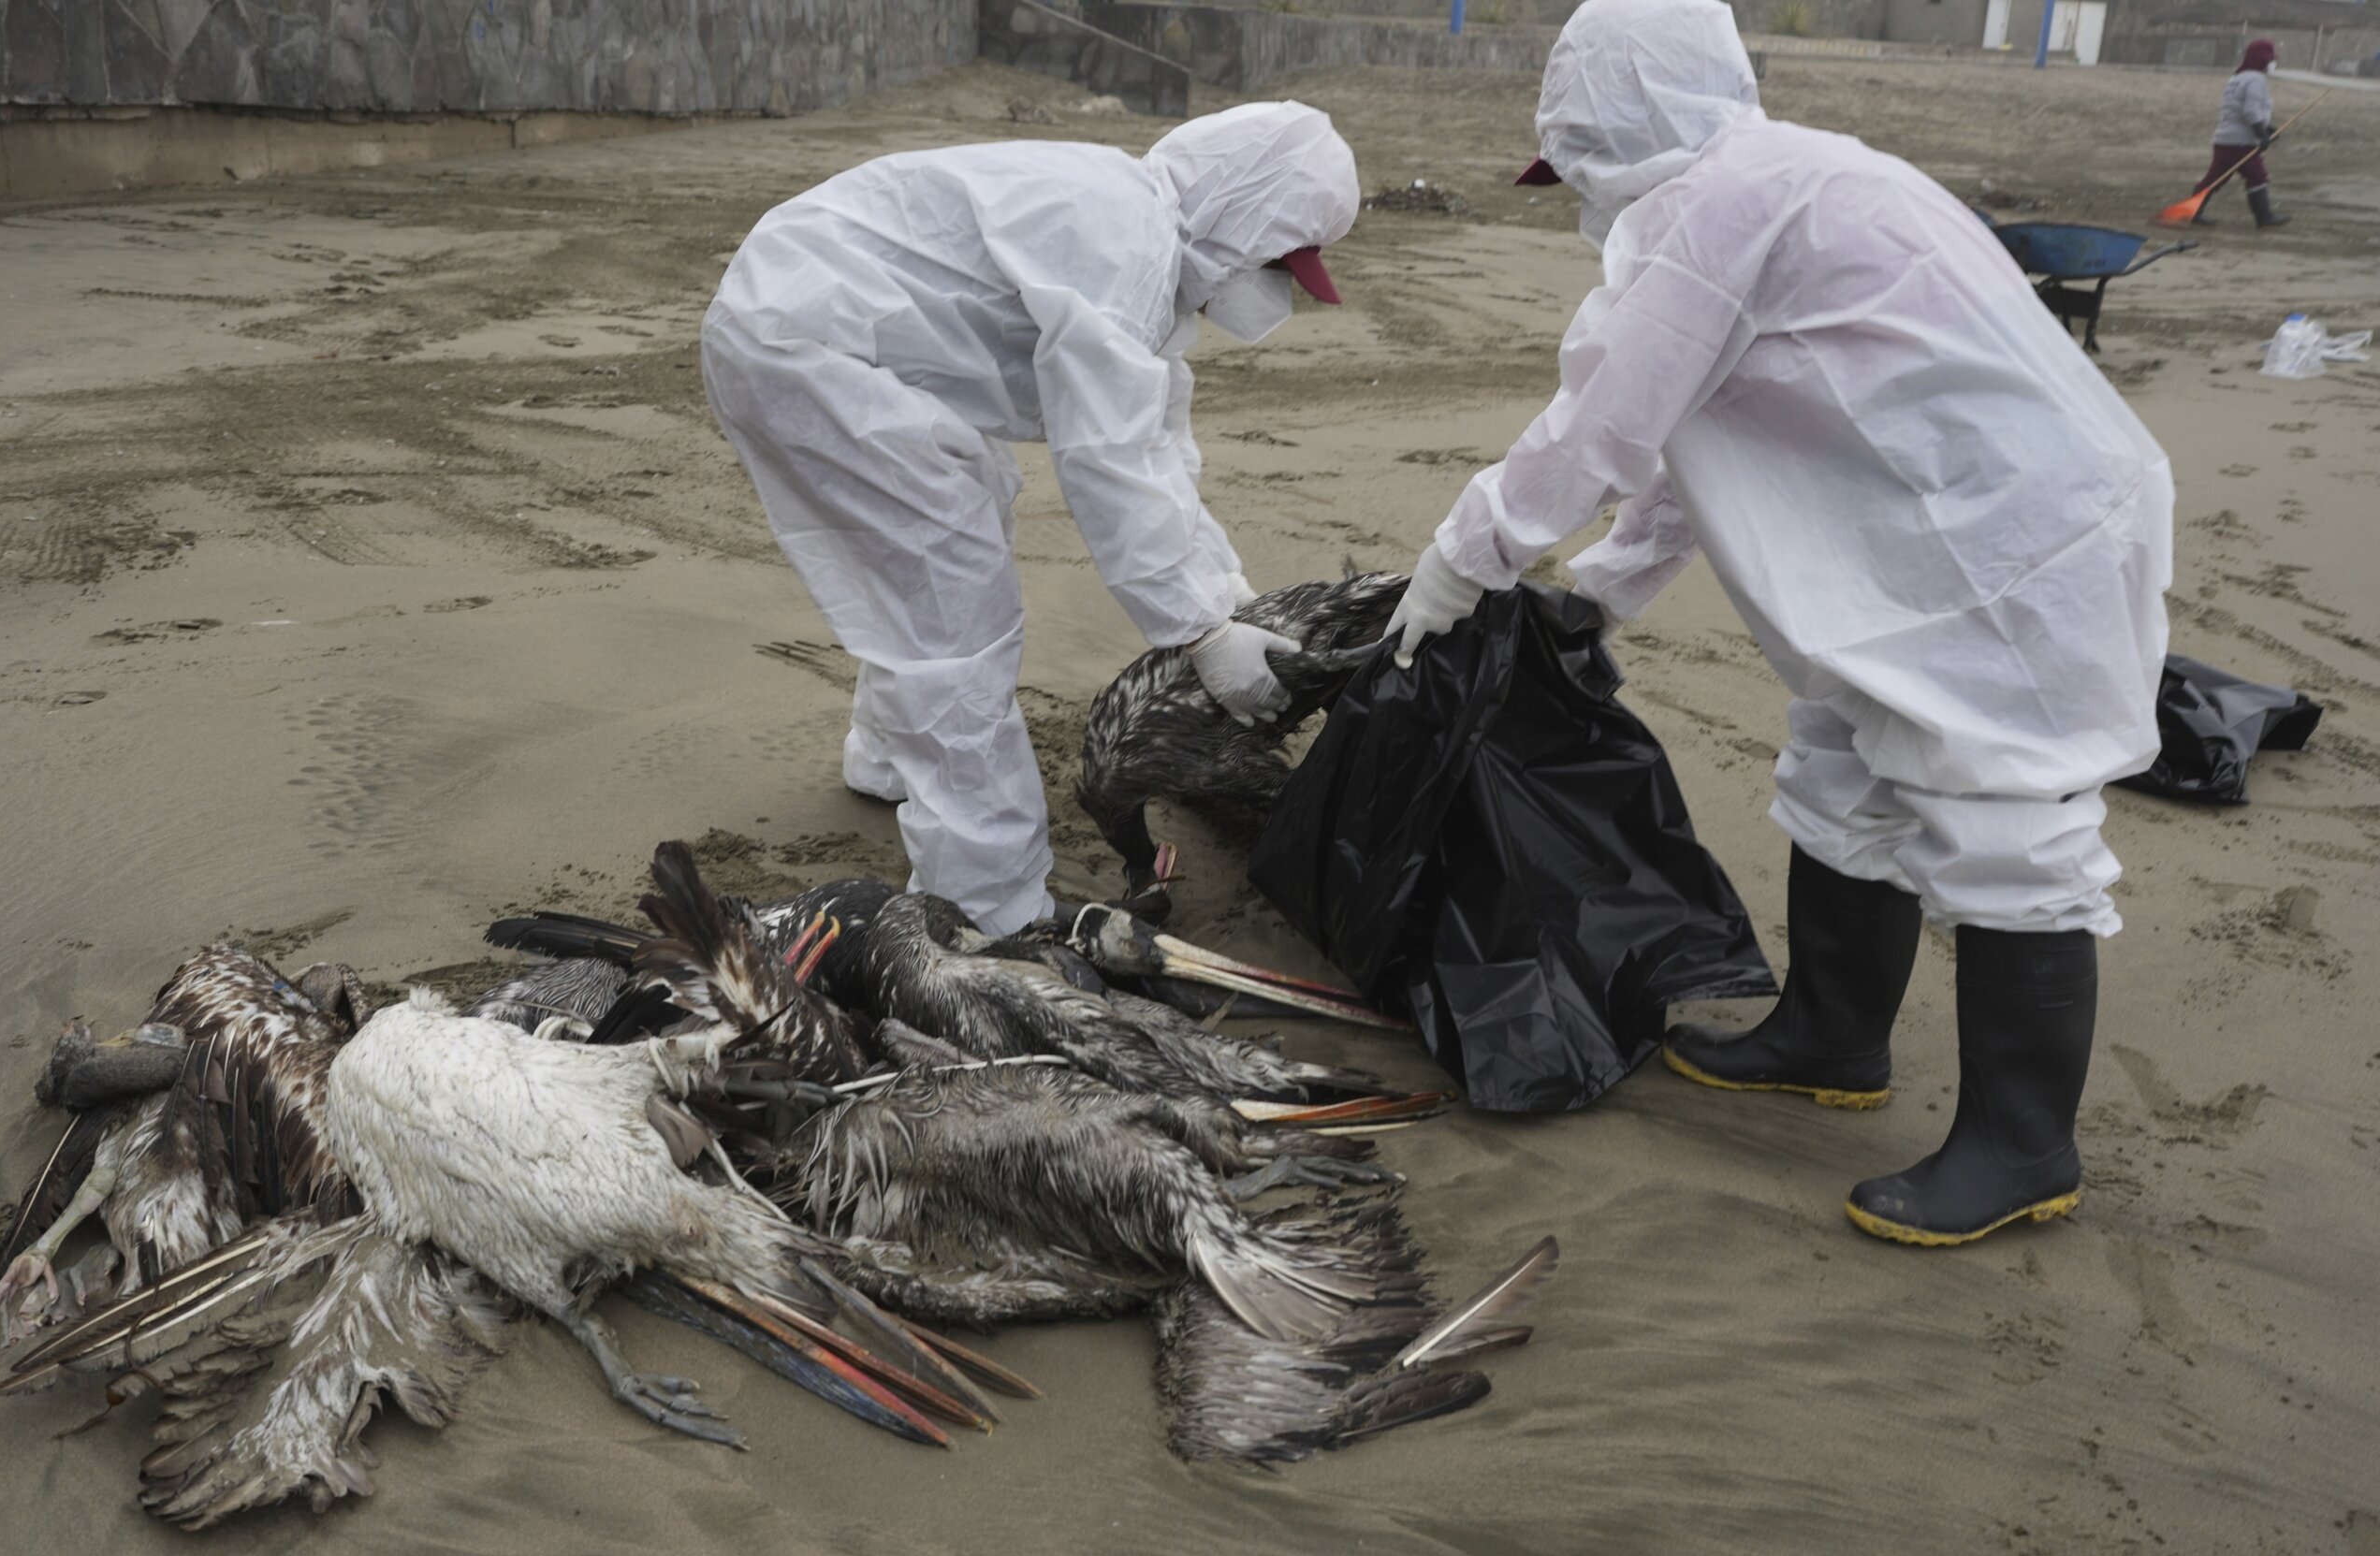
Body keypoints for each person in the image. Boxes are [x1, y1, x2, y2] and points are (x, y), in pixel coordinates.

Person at [1385, 0, 2172, 1247]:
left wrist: (1457, 563)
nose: (1579, 186)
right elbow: (1701, 436)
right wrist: (1607, 588)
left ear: (1615, 125)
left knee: (2004, 811)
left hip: (2013, 536)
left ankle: (2025, 1145)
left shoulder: (1721, 211)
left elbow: (1602, 430)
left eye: (1579, 156)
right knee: (1844, 760)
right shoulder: (1769, 184)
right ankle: (1834, 1035)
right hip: (1926, 523)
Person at [703, 103, 1359, 936]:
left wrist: (1230, 600)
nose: (1276, 291)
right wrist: (1200, 631)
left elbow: (1159, 446)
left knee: (957, 518)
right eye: (1277, 263)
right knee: (953, 607)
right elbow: (1110, 466)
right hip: (810, 343)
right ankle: (984, 900)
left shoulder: (1140, 237)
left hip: (809, 319)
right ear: (1243, 216)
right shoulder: (1127, 247)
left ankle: (886, 756)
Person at [2194, 39, 2288, 228]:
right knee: (2257, 176)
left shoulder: (2236, 79)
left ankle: (2192, 212)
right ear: (2262, 59)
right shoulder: (2256, 80)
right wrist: (2261, 134)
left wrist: (2267, 129)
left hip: (2224, 139)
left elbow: (2237, 109)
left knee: (2214, 179)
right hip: (2241, 142)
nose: (2272, 63)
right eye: (2270, 59)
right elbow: (2251, 111)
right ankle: (2264, 218)